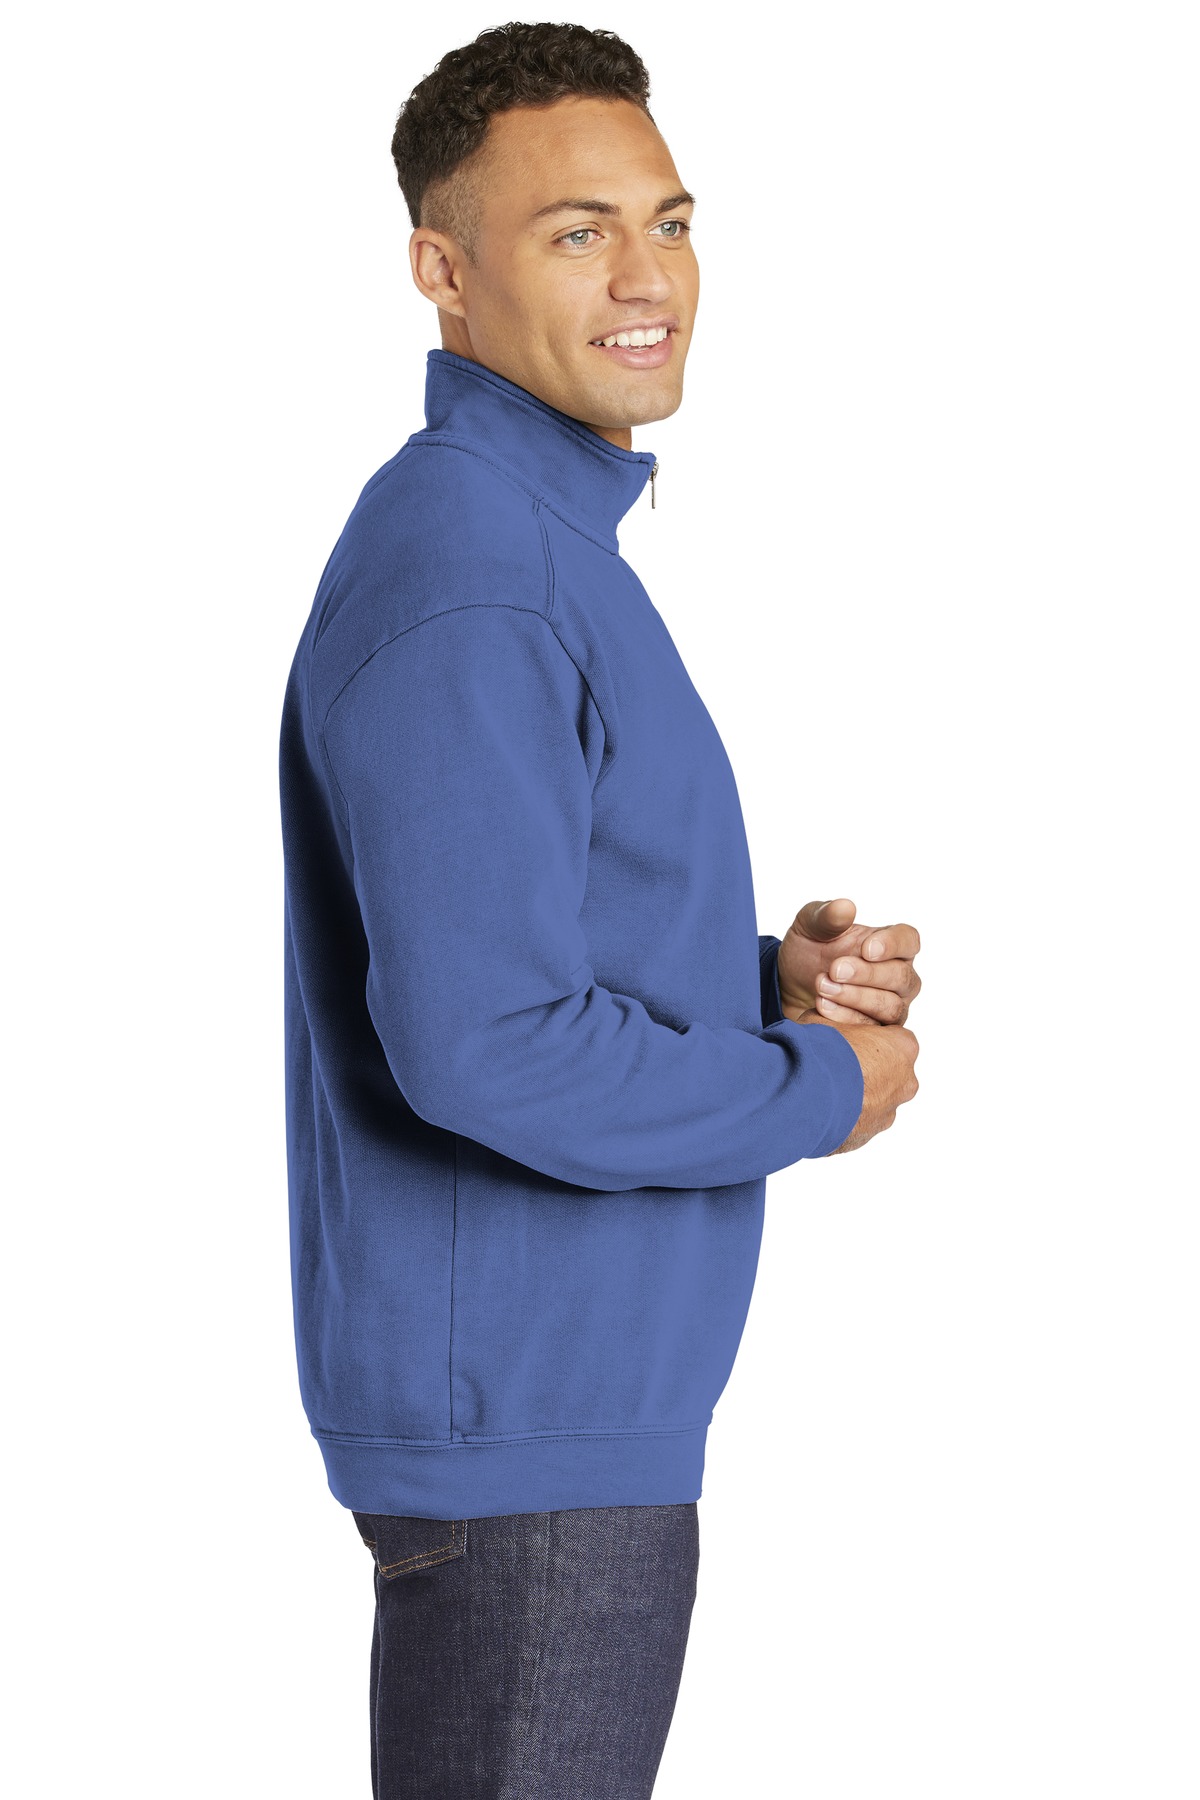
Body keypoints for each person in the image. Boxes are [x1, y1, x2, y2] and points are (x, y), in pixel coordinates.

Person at [277, 20, 921, 1798]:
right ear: (442, 271)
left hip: (559, 1422)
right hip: (535, 1447)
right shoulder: (479, 572)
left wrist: (758, 984)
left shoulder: (531, 543)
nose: (649, 279)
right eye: (577, 232)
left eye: (671, 220)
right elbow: (487, 1046)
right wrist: (819, 1088)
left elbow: (505, 940)